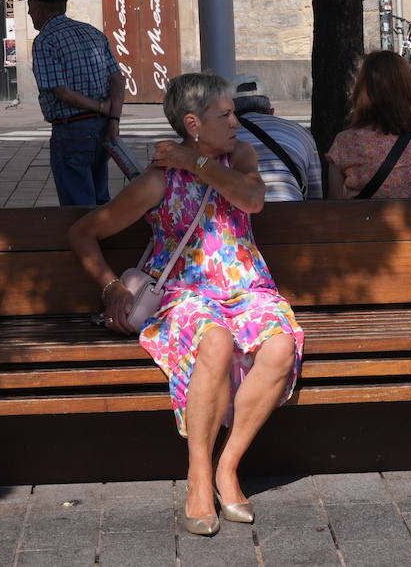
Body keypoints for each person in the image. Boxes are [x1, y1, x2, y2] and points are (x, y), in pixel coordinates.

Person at [68, 73, 304, 537]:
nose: (237, 122)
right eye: (226, 114)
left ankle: (227, 466)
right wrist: (111, 286)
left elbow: (253, 199)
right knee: (212, 341)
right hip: (184, 293)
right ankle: (199, 473)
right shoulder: (158, 181)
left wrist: (195, 161)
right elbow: (83, 232)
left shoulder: (239, 158)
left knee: (280, 347)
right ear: (194, 123)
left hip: (248, 289)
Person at [22, 0, 125, 206]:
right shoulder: (93, 33)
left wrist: (99, 107)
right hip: (102, 127)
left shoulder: (45, 41)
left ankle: (85, 240)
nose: (29, 15)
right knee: (100, 199)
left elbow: (60, 91)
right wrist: (113, 119)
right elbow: (118, 79)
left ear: (39, 8)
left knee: (77, 206)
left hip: (72, 130)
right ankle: (104, 240)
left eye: (29, 8)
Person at [325, 50, 411, 199]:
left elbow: (334, 208)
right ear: (409, 90)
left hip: (369, 222)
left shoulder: (346, 143)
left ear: (362, 91)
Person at [230, 73, 323, 201]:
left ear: (231, 113)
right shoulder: (301, 132)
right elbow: (315, 196)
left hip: (242, 215)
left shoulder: (227, 136)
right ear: (271, 112)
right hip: (292, 213)